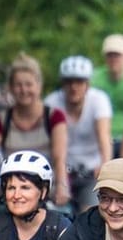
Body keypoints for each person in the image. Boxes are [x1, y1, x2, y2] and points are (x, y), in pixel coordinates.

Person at [0, 56, 68, 207]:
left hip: (46, 192)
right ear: (11, 88)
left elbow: (59, 156)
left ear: (39, 86)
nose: (23, 90)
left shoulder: (54, 117)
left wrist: (61, 186)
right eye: (18, 85)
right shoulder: (3, 119)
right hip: (13, 193)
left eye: (29, 84)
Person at [47, 56, 114, 211]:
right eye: (68, 82)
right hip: (60, 169)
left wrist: (105, 166)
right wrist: (61, 183)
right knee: (57, 215)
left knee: (90, 215)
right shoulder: (52, 103)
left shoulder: (99, 100)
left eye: (79, 82)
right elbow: (56, 147)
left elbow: (104, 138)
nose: (73, 87)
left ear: (87, 84)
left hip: (92, 170)